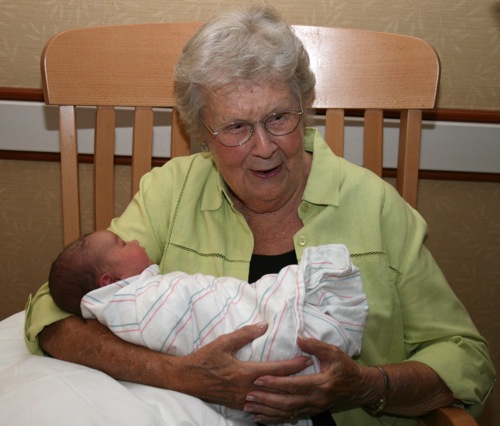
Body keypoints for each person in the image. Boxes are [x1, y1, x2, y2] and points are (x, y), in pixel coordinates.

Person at [25, 5, 495, 426]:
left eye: (278, 118)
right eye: (236, 127)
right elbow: (54, 314)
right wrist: (181, 375)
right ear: (202, 134)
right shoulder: (171, 192)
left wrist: (366, 386)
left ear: (304, 109)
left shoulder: (374, 204)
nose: (265, 147)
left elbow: (465, 358)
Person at [48, 230, 368, 425]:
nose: (132, 239)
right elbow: (178, 314)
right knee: (274, 321)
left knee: (264, 304)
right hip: (252, 359)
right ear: (109, 281)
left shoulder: (139, 289)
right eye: (122, 243)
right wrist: (180, 373)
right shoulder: (135, 303)